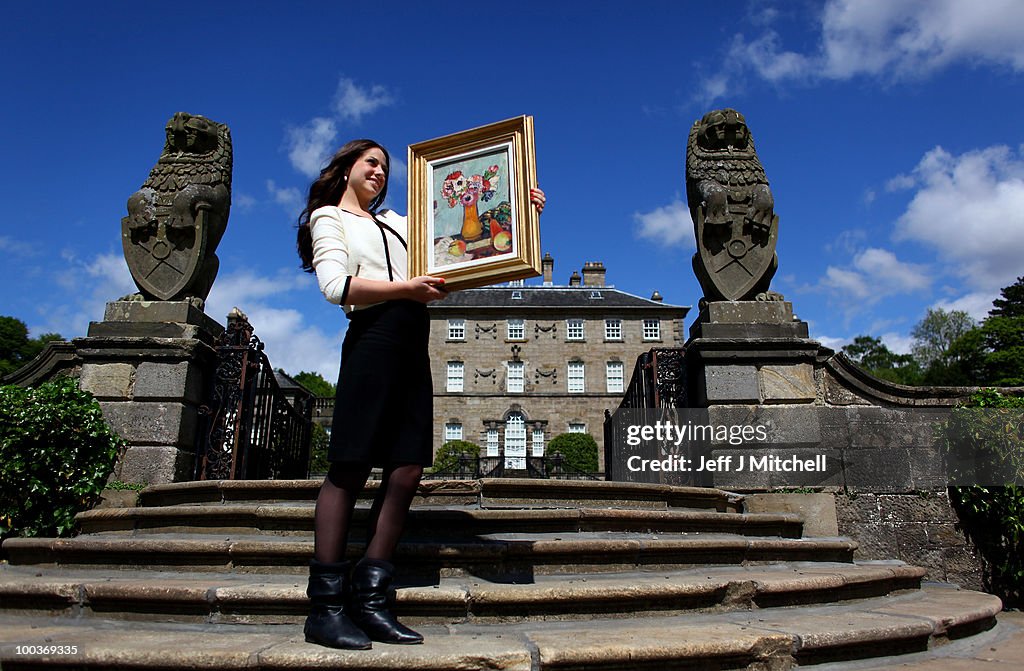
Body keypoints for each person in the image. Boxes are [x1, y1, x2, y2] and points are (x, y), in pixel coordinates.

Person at [295, 138, 545, 650]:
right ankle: (324, 607)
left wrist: (521, 212)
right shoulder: (329, 219)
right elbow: (336, 287)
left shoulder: (401, 223)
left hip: (413, 341)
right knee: (350, 464)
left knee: (407, 466)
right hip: (372, 338)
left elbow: (459, 252)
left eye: (386, 167)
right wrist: (406, 290)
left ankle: (371, 599)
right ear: (346, 169)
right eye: (371, 163)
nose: (380, 172)